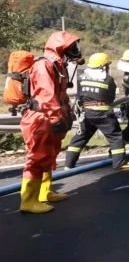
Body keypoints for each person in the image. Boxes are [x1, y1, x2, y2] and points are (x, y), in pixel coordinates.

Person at [19, 31, 82, 214]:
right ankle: (28, 201)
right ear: (60, 46)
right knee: (37, 158)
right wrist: (56, 119)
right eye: (72, 46)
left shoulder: (58, 65)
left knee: (49, 155)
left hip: (51, 116)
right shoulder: (44, 64)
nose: (75, 49)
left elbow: (60, 95)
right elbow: (46, 97)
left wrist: (67, 114)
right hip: (41, 118)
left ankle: (44, 192)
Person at [64, 53, 129, 171]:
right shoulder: (107, 79)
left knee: (80, 137)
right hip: (103, 114)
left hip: (87, 114)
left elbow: (79, 96)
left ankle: (68, 164)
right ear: (103, 66)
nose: (107, 67)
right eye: (106, 65)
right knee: (115, 136)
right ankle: (120, 163)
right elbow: (110, 98)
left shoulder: (82, 77)